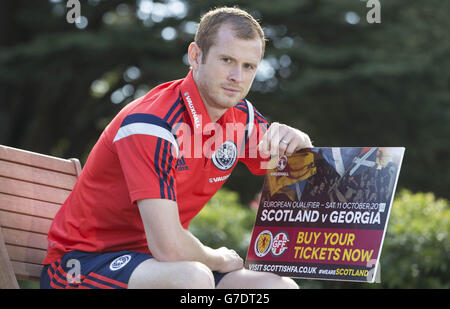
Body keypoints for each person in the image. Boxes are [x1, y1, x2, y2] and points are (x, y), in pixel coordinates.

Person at [40, 6, 312, 289]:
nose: (237, 77)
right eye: (226, 60)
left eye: (248, 66)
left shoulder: (242, 119)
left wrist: (299, 143)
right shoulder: (151, 123)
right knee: (192, 278)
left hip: (158, 265)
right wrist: (217, 258)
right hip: (82, 264)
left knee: (278, 287)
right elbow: (169, 246)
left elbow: (295, 174)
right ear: (195, 56)